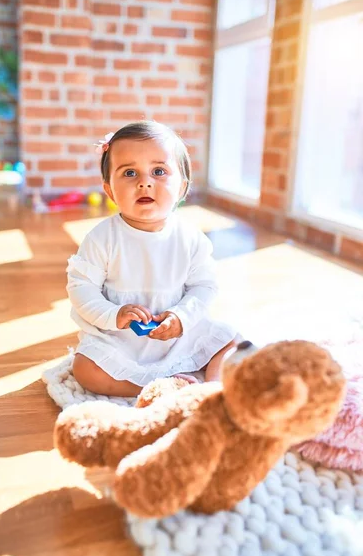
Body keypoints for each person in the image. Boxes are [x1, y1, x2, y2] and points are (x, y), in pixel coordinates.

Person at [67, 120, 240, 397]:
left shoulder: (191, 238)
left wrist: (181, 316)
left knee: (230, 341)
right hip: (122, 339)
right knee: (86, 369)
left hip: (178, 336)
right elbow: (81, 289)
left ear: (182, 187)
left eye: (159, 171)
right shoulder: (102, 238)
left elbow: (204, 287)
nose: (144, 182)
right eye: (130, 173)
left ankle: (210, 392)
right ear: (110, 190)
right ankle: (152, 388)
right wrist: (115, 315)